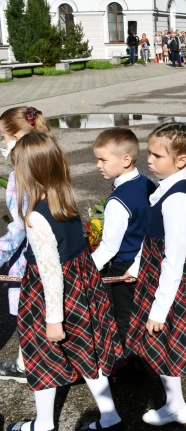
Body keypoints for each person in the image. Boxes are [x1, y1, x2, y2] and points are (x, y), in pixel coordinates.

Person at [8, 133, 123, 431]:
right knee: (88, 352)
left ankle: (44, 424)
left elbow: (50, 273)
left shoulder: (36, 217)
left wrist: (53, 319)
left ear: (27, 173)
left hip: (50, 298)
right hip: (81, 290)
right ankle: (110, 417)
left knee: (40, 353)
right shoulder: (65, 202)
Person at [125, 123, 186, 426]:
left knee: (165, 335)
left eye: (157, 155)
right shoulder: (172, 186)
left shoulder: (178, 198)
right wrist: (136, 265)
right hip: (171, 270)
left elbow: (174, 257)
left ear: (181, 160)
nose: (149, 161)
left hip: (176, 277)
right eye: (150, 153)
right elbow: (153, 237)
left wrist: (158, 308)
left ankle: (175, 404)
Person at [0, 107, 51, 386]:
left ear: (18, 138)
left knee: (27, 314)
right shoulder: (50, 163)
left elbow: (18, 229)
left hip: (27, 259)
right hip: (52, 252)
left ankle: (27, 366)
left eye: (3, 139)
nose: (2, 145)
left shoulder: (18, 178)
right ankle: (22, 361)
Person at [91, 128, 156, 345]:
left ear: (125, 159)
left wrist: (85, 270)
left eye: (102, 160)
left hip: (125, 265)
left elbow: (109, 247)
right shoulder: (147, 183)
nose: (98, 165)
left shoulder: (118, 201)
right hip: (147, 258)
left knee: (124, 317)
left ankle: (129, 363)